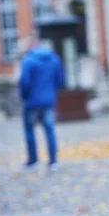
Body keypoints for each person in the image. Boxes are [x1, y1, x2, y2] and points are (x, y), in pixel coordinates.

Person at [18, 36, 65, 171]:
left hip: (31, 102)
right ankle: (53, 160)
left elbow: (24, 82)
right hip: (48, 101)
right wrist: (51, 92)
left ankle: (33, 159)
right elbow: (60, 80)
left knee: (29, 130)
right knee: (49, 130)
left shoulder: (28, 60)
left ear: (31, 45)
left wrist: (24, 96)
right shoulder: (54, 58)